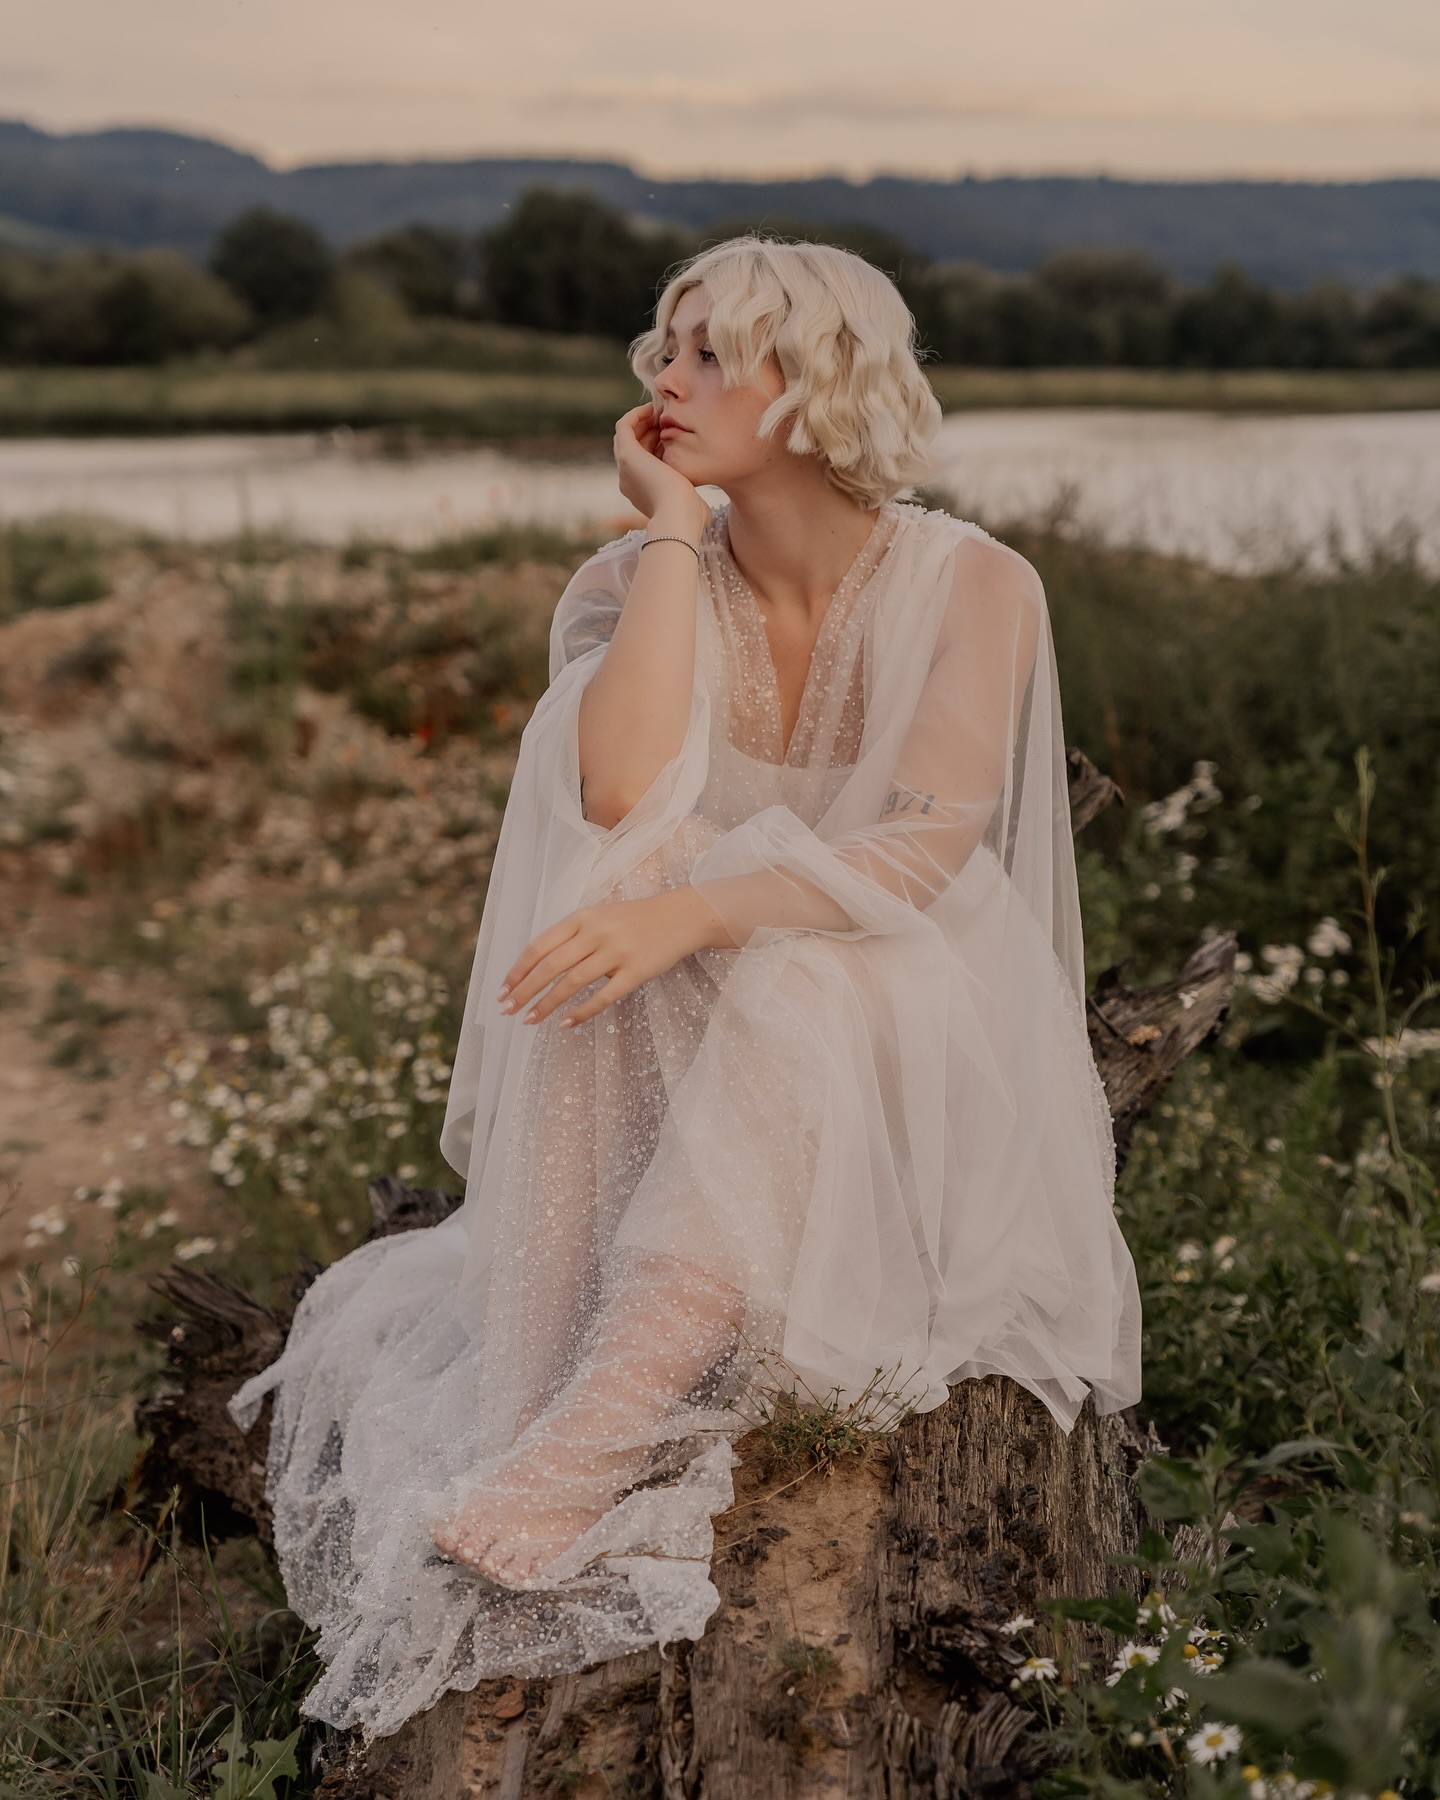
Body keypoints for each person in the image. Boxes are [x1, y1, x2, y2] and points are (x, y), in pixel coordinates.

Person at [229, 236, 1141, 1739]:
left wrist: (702, 914)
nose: (669, 377)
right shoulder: (636, 578)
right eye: (667, 345)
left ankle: (592, 1434)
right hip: (686, 1058)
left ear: (823, 377)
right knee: (618, 898)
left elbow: (919, 854)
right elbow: (620, 788)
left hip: (905, 1036)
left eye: (716, 350)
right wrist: (666, 529)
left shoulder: (979, 584)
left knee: (786, 972)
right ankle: (541, 1389)